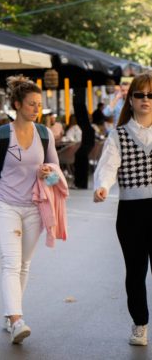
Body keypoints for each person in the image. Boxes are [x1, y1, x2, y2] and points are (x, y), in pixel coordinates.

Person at [0, 75, 58, 344]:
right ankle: (16, 319)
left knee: (24, 264)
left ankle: (11, 311)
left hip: (35, 208)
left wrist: (49, 174)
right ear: (18, 105)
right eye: (32, 104)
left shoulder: (45, 135)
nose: (37, 109)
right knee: (11, 262)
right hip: (7, 205)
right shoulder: (1, 135)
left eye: (39, 105)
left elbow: (58, 175)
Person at [94, 72, 152, 346]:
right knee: (136, 270)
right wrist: (102, 186)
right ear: (130, 100)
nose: (145, 100)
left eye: (150, 95)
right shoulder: (118, 135)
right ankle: (140, 324)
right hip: (131, 212)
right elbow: (108, 165)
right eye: (140, 95)